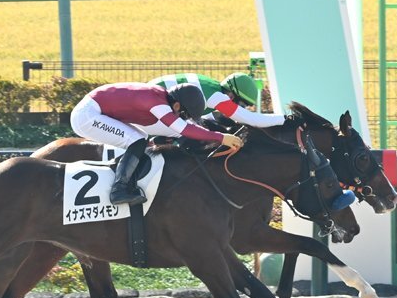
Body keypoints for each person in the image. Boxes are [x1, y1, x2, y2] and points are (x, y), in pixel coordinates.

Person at [70, 82, 244, 206]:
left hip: (96, 110)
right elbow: (184, 129)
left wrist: (157, 141)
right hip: (87, 116)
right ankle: (119, 190)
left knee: (141, 140)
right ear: (176, 105)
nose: (181, 117)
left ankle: (124, 183)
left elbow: (169, 127)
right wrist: (220, 137)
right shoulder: (158, 104)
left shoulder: (162, 99)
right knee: (137, 141)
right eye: (182, 114)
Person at [148, 72, 295, 128]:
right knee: (187, 133)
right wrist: (286, 119)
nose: (239, 107)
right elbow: (251, 119)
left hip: (151, 98)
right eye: (240, 103)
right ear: (232, 95)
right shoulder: (217, 97)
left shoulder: (211, 84)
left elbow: (206, 117)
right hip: (151, 107)